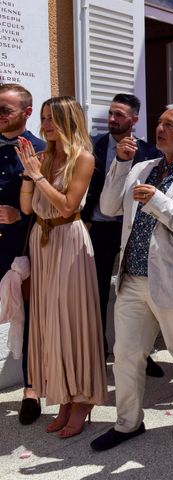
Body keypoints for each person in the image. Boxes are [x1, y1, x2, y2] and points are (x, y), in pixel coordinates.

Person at [90, 104, 173, 451]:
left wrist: (159, 201)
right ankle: (128, 422)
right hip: (131, 279)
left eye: (170, 125)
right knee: (127, 353)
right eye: (159, 122)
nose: (159, 128)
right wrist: (120, 164)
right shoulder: (141, 167)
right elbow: (108, 206)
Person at [16, 96, 107, 438]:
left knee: (72, 320)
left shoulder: (82, 158)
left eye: (52, 119)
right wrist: (29, 176)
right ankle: (65, 398)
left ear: (68, 121)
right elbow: (28, 209)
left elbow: (69, 206)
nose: (46, 125)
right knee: (50, 322)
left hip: (69, 242)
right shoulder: (44, 157)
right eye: (43, 118)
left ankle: (82, 399)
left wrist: (38, 176)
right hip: (43, 244)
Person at [83, 93, 162, 376]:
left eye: (120, 115)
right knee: (98, 291)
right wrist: (85, 219)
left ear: (134, 120)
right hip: (99, 229)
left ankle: (144, 353)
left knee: (137, 292)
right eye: (111, 113)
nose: (113, 119)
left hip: (132, 231)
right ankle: (98, 352)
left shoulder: (150, 152)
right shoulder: (92, 145)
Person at [0, 83, 46, 425]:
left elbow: (54, 204)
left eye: (6, 110)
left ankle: (31, 391)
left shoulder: (43, 150)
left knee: (30, 321)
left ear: (26, 113)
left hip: (24, 250)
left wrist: (21, 211)